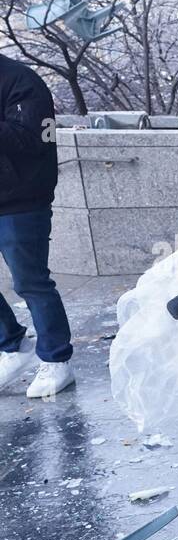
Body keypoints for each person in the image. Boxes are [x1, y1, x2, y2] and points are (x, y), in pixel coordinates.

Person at [0, 54, 75, 399]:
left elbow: (32, 138)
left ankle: (57, 360)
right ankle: (13, 346)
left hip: (20, 199)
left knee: (30, 282)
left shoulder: (20, 79)